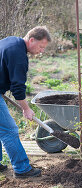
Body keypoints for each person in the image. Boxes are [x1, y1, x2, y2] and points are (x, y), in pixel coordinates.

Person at [0, 26, 51, 178]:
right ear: (32, 40)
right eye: (41, 46)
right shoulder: (19, 56)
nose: (42, 51)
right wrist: (26, 109)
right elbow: (18, 87)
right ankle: (22, 169)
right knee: (9, 130)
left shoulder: (11, 41)